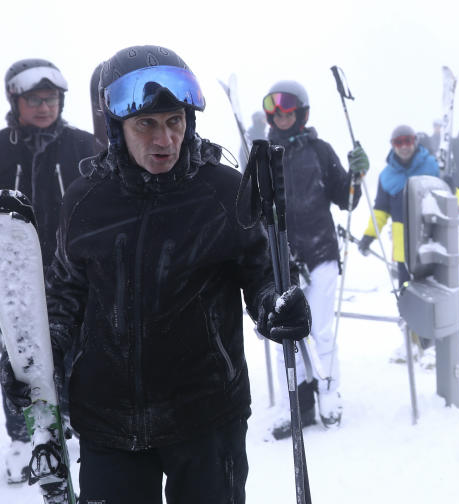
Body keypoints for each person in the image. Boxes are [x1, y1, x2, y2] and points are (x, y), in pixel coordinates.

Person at [1, 45, 311, 503]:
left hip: (206, 417)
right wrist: (36, 362)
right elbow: (65, 296)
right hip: (109, 422)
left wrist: (276, 308)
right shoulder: (87, 202)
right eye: (145, 124)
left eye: (174, 122)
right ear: (117, 126)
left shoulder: (223, 192)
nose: (164, 139)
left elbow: (261, 277)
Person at [0, 58, 99, 484]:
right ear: (15, 101)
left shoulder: (82, 146)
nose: (44, 106)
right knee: (18, 362)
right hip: (13, 279)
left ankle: (73, 427)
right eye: (34, 99)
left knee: (76, 354)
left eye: (51, 98)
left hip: (71, 273)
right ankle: (24, 440)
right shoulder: (2, 147)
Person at [262, 80, 368, 435]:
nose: (281, 115)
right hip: (282, 259)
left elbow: (347, 199)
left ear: (302, 112)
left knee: (321, 330)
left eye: (288, 108)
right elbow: (253, 208)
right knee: (284, 335)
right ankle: (297, 404)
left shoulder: (320, 151)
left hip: (320, 252)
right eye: (275, 109)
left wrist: (356, 174)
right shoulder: (262, 154)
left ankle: (328, 394)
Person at [357, 124, 439, 290]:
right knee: (407, 292)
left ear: (415, 141)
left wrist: (452, 188)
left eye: (407, 141)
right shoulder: (387, 176)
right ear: (392, 145)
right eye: (398, 142)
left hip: (429, 243)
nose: (403, 147)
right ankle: (405, 316)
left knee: (432, 294)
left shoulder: (432, 165)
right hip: (403, 250)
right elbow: (380, 211)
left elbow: (452, 199)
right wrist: (369, 236)